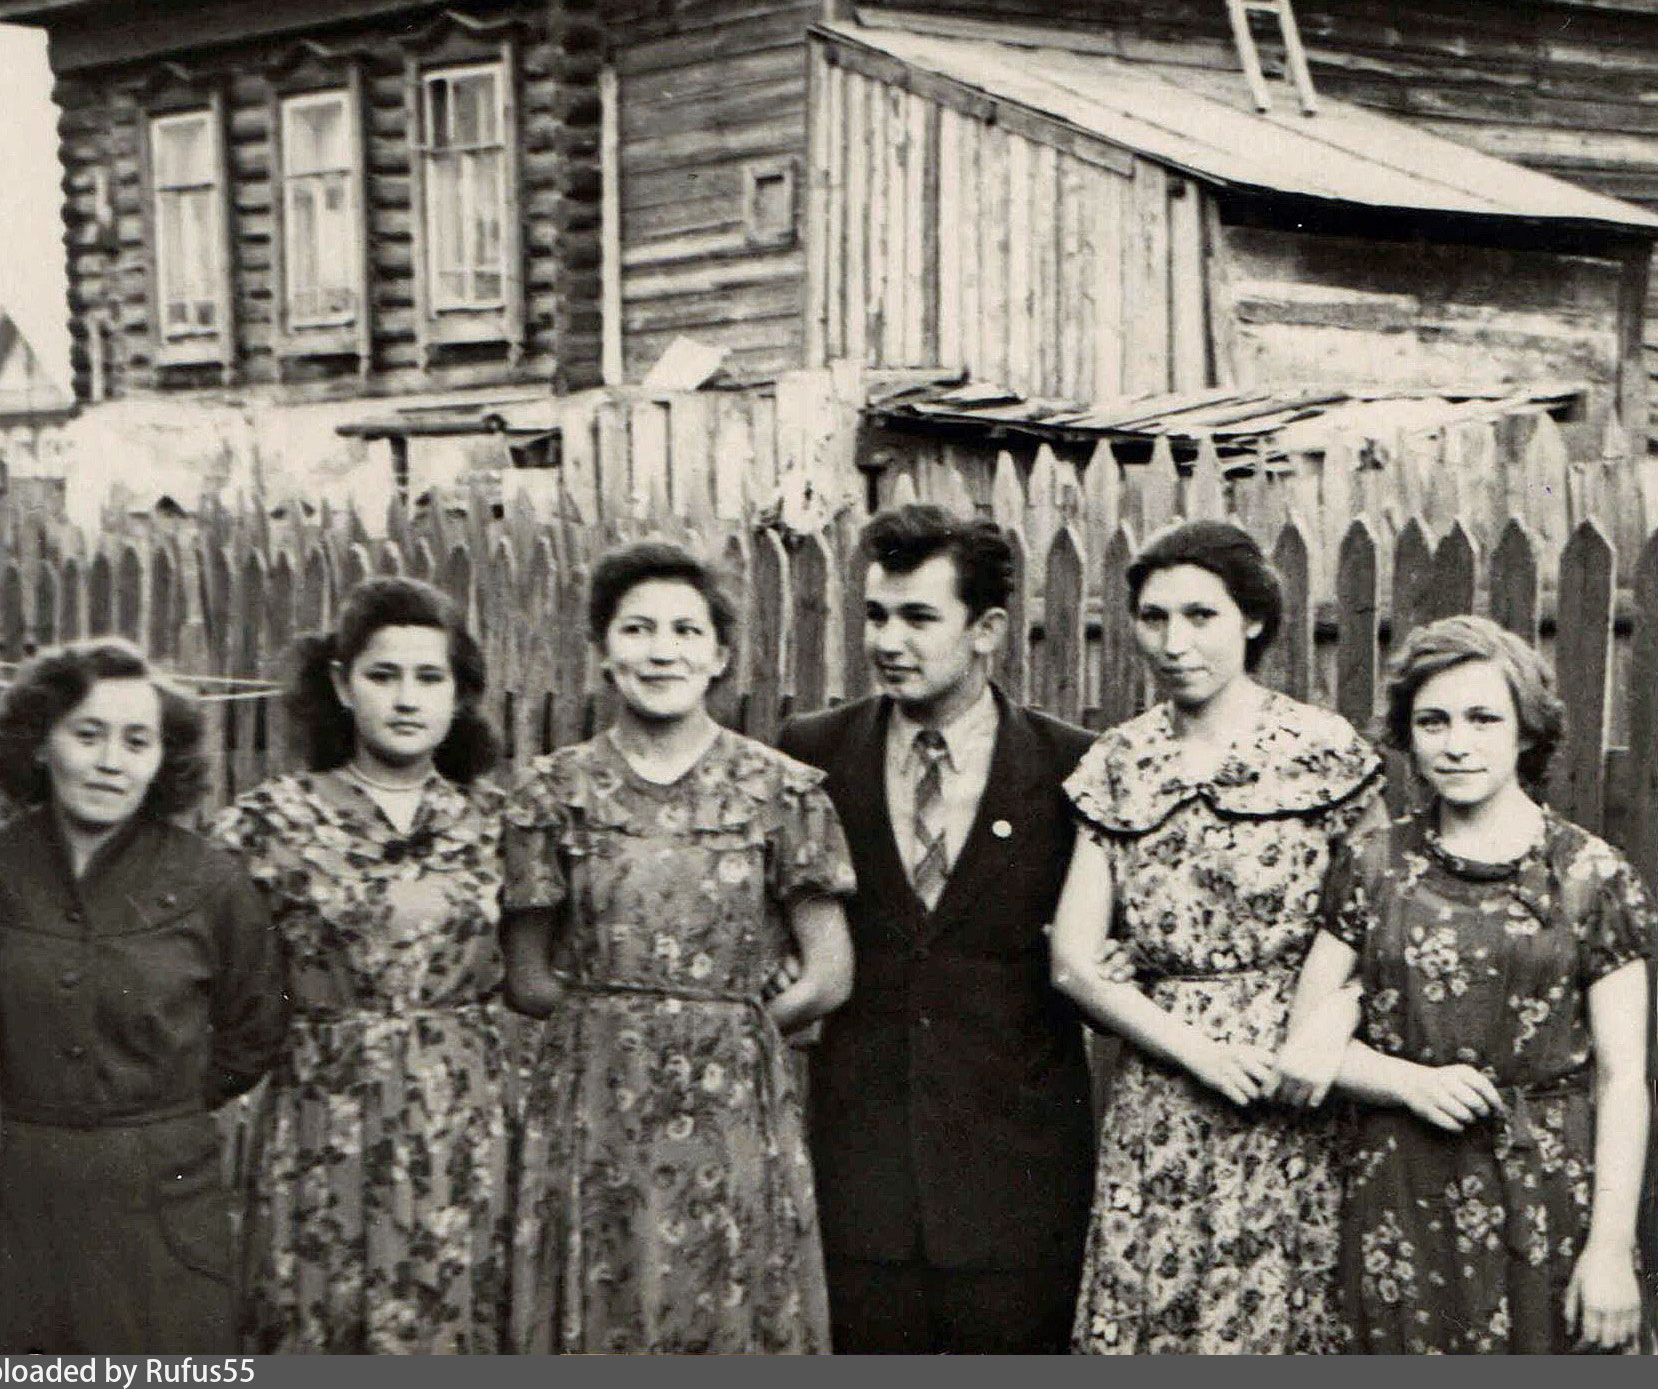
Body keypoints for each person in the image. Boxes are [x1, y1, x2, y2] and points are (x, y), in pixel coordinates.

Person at [501, 540, 855, 1354]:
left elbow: (830, 974)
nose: (662, 651)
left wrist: (722, 1032)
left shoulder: (781, 791)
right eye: (638, 629)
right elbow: (526, 978)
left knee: (723, 1297)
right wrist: (624, 1030)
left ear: (720, 655)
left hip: (730, 1104)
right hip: (595, 1104)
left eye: (687, 631)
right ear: (602, 649)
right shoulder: (551, 793)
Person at [1049, 519, 1382, 1353]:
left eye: (1201, 616)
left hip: (1294, 1084)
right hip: (1163, 1093)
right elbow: (1074, 964)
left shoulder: (1324, 751)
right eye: (1154, 618)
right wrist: (1200, 1054)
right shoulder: (1118, 762)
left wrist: (1324, 1030)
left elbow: (1382, 928)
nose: (1174, 643)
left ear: (1254, 620)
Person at [1276, 615, 1651, 1353]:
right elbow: (1304, 1045)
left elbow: (1623, 1077)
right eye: (1433, 721)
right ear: (1408, 735)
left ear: (1525, 731)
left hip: (1548, 1192)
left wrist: (1611, 1246)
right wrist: (1407, 1082)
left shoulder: (1591, 876)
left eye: (1483, 719)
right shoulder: (1372, 865)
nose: (1456, 743)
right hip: (1399, 1192)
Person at [775, 504, 1097, 1353]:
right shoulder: (812, 755)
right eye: (876, 615)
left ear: (986, 630)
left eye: (919, 618)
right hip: (862, 1172)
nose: (888, 641)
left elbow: (1109, 954)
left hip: (1017, 1175)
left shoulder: (1071, 768)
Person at [207, 577, 515, 1353]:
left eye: (429, 678)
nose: (407, 699)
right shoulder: (269, 824)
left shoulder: (500, 824)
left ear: (459, 695)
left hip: (460, 1119)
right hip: (324, 1116)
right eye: (384, 675)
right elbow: (203, 971)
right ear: (343, 686)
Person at [0, 638, 285, 1353]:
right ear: (40, 744)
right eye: (88, 735)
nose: (111, 761)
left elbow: (254, 1032)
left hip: (162, 1205)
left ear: (163, 760)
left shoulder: (213, 882)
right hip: (10, 1196)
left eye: (137, 742)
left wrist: (155, 1107)